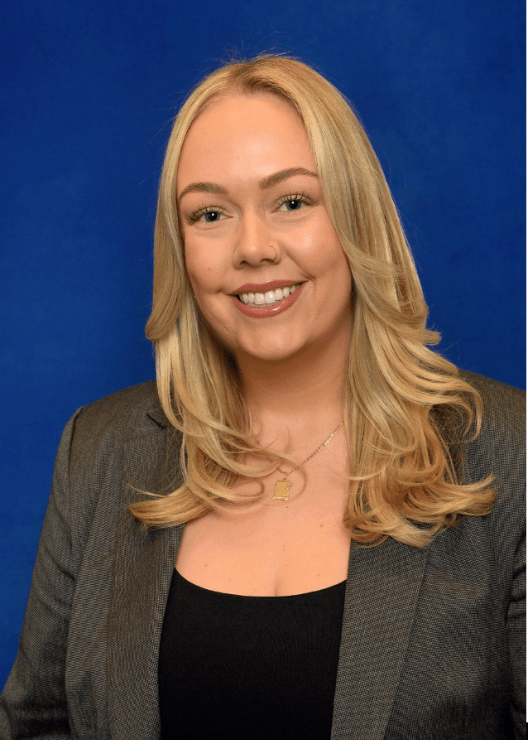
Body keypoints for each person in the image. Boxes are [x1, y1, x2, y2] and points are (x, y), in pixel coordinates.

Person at [1, 55, 525, 740]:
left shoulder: (505, 448)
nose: (253, 248)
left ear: (356, 219)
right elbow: (37, 725)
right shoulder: (97, 451)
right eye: (211, 213)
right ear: (181, 247)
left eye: (293, 202)